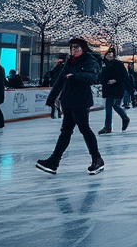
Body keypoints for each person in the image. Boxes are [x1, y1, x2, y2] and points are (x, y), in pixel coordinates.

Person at [35, 38, 104, 175]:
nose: (74, 50)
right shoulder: (69, 62)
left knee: (85, 129)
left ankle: (97, 159)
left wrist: (76, 75)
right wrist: (51, 98)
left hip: (80, 101)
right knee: (66, 131)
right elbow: (61, 80)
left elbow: (92, 77)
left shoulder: (89, 60)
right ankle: (54, 162)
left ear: (83, 49)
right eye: (72, 48)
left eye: (77, 48)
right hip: (68, 101)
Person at [98, 50, 131, 134]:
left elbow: (124, 75)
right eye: (107, 55)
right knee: (108, 108)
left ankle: (124, 117)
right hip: (108, 88)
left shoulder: (118, 64)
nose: (109, 56)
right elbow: (100, 75)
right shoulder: (103, 64)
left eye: (111, 55)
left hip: (117, 88)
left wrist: (115, 80)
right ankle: (107, 127)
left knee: (115, 105)